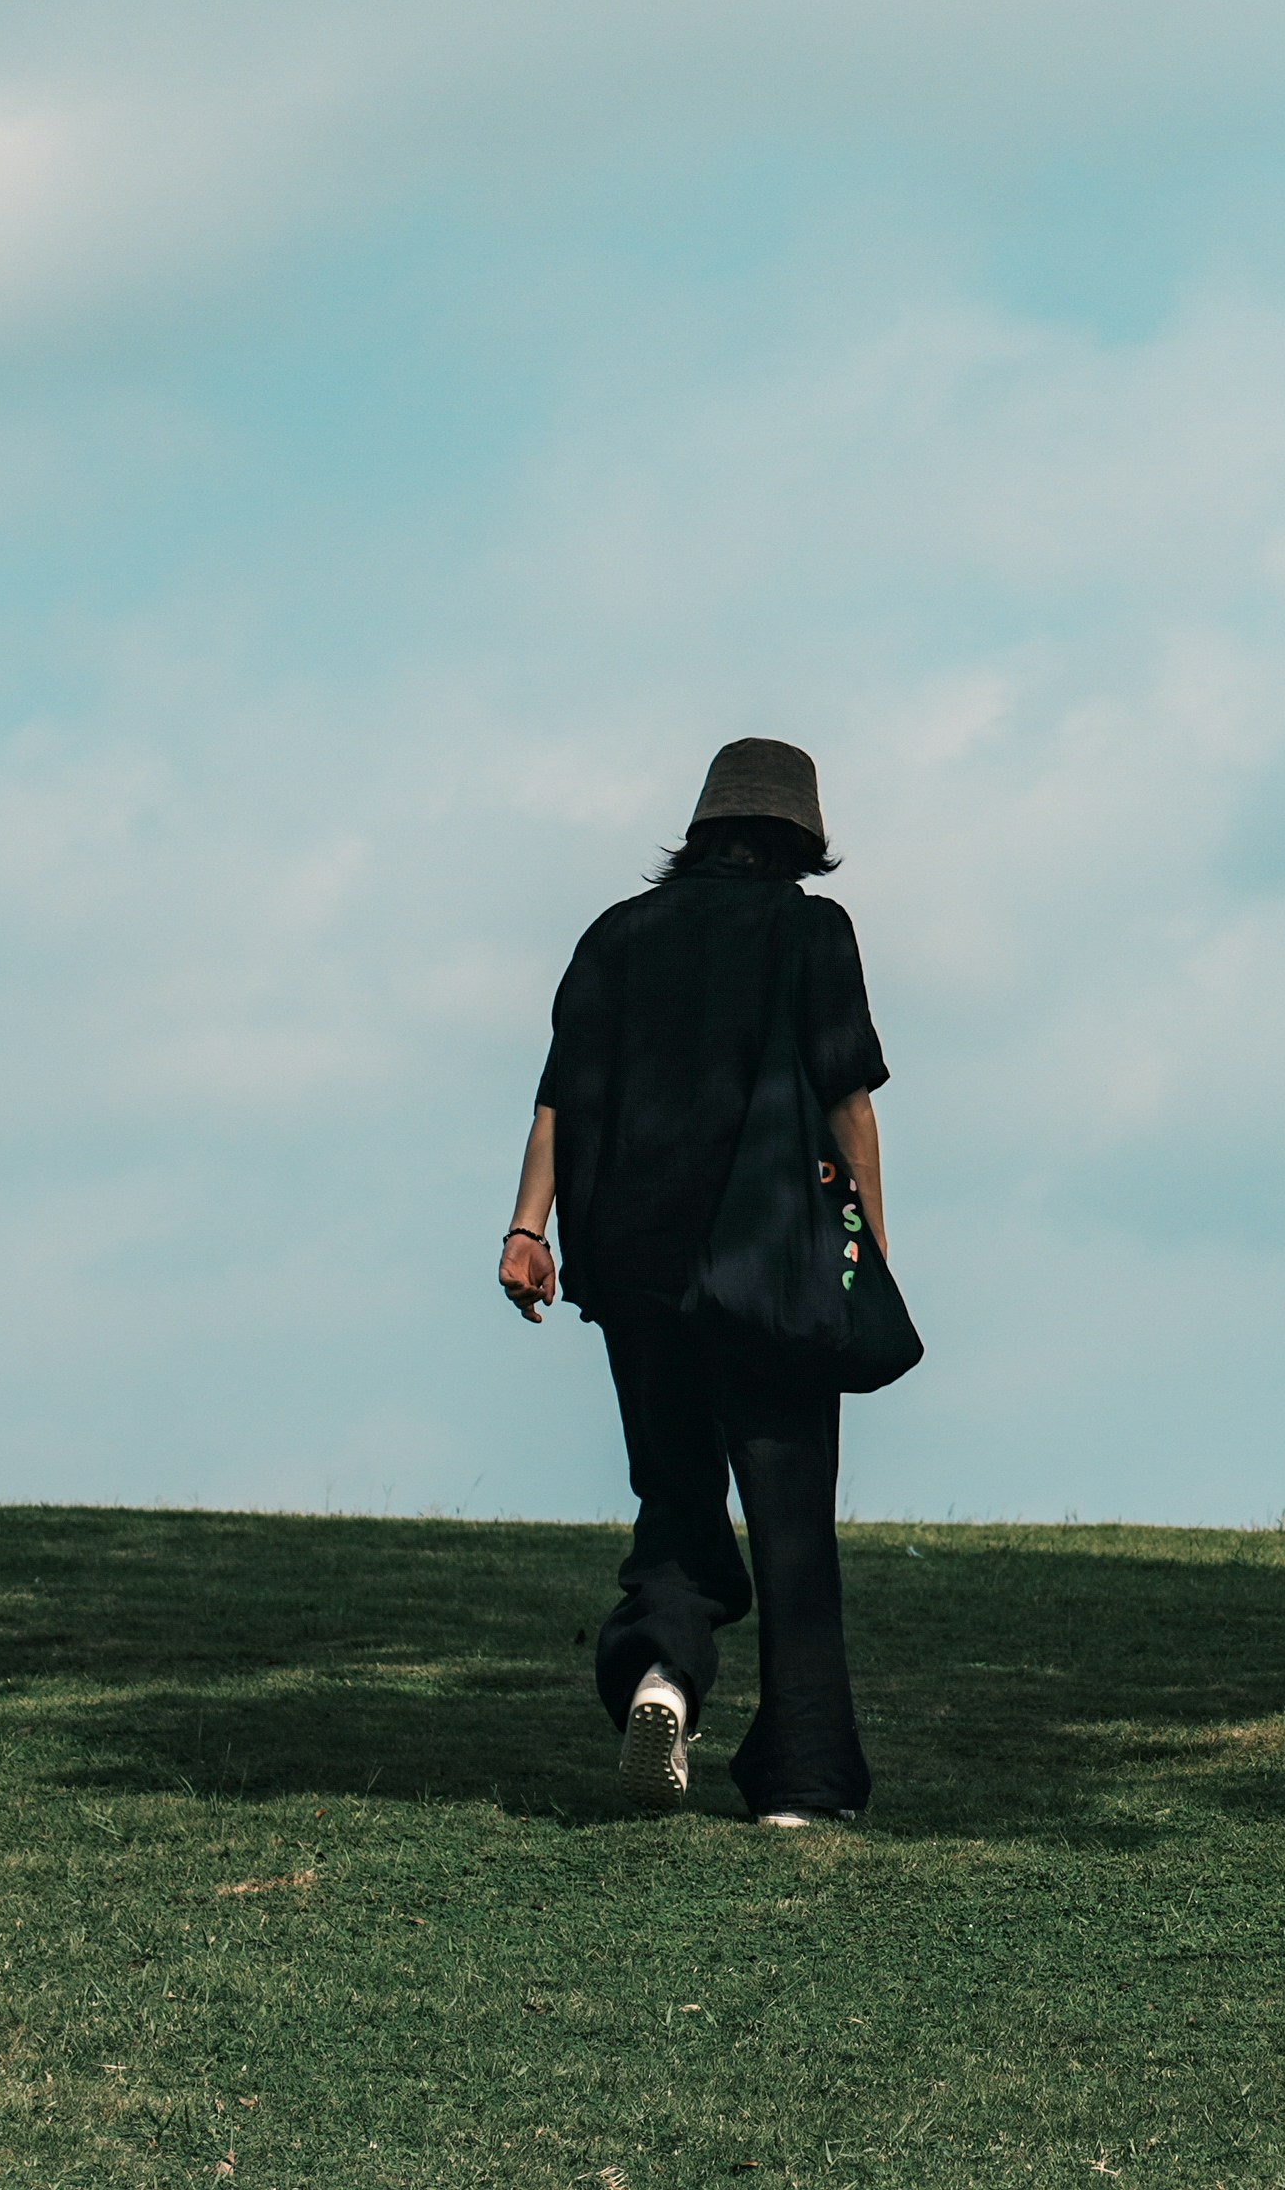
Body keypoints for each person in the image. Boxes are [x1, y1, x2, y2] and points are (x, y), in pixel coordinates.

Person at [505, 737, 890, 1824]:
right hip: (770, 1257)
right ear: (801, 842)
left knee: (675, 1493)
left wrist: (526, 1228)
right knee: (792, 1525)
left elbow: (560, 1100)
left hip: (632, 1262)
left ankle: (661, 1674)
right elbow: (846, 1092)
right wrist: (869, 1233)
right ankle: (803, 1782)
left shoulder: (616, 936)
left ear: (702, 828)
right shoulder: (811, 931)